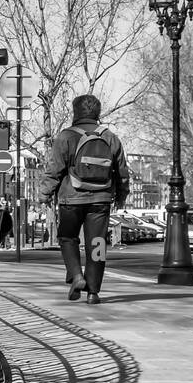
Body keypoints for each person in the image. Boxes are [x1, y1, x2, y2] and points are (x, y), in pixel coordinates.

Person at [39, 94, 129, 305]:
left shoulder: (66, 137)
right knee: (97, 243)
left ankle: (76, 276)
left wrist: (44, 194)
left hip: (71, 198)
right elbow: (122, 172)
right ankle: (93, 292)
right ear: (97, 113)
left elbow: (54, 169)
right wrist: (122, 195)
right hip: (101, 199)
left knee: (68, 237)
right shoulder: (110, 137)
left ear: (76, 112)